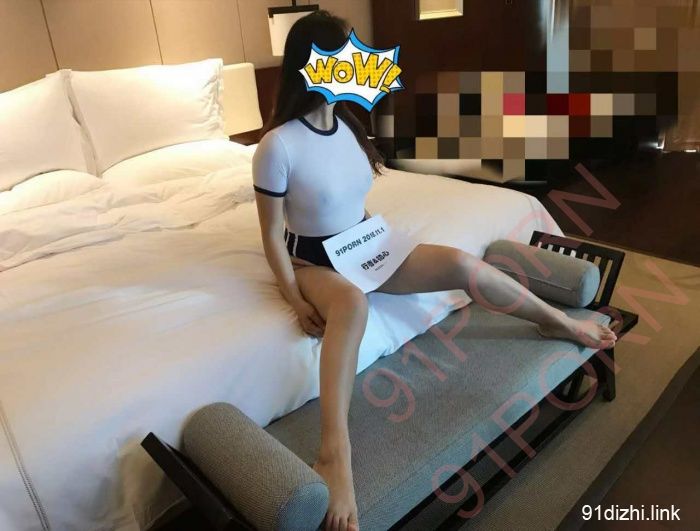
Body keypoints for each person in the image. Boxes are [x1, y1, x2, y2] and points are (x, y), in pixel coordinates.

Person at [252, 11, 617, 531]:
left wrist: (378, 242)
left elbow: (351, 198)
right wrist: (294, 296)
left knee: (463, 263)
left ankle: (555, 321)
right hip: (314, 258)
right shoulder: (277, 145)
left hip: (364, 242)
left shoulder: (348, 125)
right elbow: (271, 233)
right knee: (351, 304)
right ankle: (334, 452)